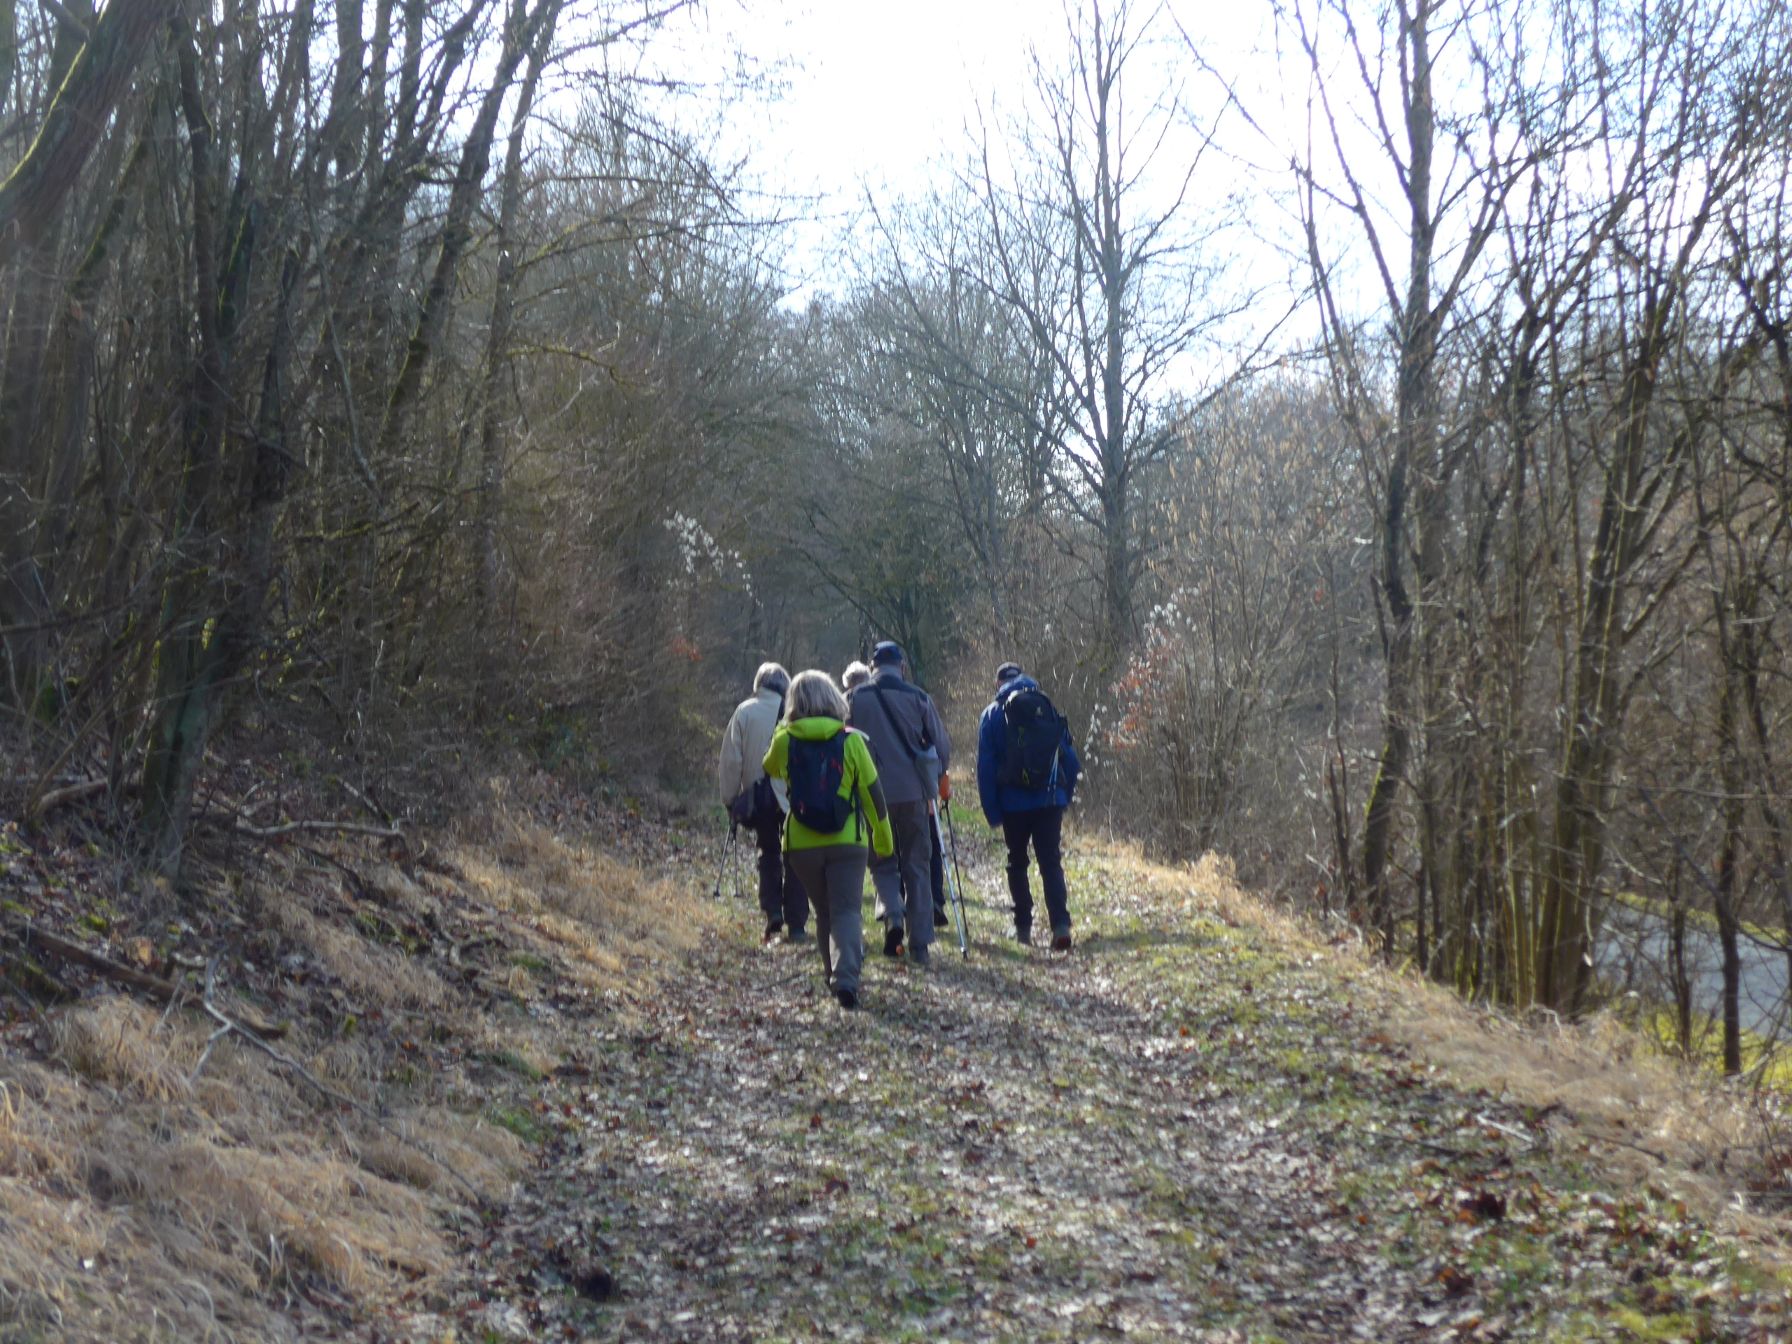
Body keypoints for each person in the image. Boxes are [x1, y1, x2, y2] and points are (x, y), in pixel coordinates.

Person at [763, 671, 894, 1009]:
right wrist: (883, 840)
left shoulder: (785, 740)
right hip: (847, 841)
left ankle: (831, 974)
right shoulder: (851, 741)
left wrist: (782, 729)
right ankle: (845, 978)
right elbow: (873, 795)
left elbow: (770, 767)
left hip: (802, 845)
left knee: (824, 911)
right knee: (846, 909)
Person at [847, 641, 951, 965]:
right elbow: (942, 748)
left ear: (872, 667)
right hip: (914, 795)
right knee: (917, 864)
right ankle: (920, 944)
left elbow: (841, 741)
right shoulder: (919, 698)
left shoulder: (854, 698)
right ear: (902, 667)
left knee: (882, 861)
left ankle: (893, 913)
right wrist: (936, 775)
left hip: (872, 795)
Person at [977, 660, 1081, 950]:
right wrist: (1063, 795)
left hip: (1013, 804)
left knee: (1017, 861)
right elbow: (1071, 759)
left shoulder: (991, 715)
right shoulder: (1045, 707)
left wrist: (992, 812)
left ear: (998, 684)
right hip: (1049, 799)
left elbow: (985, 768)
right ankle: (1060, 924)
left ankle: (1023, 928)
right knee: (1050, 861)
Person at [718, 662, 808, 943]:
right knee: (795, 857)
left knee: (768, 852)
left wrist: (731, 800)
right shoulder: (797, 713)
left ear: (758, 685)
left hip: (760, 799)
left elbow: (731, 761)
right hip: (792, 798)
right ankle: (797, 923)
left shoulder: (744, 712)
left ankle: (772, 911)